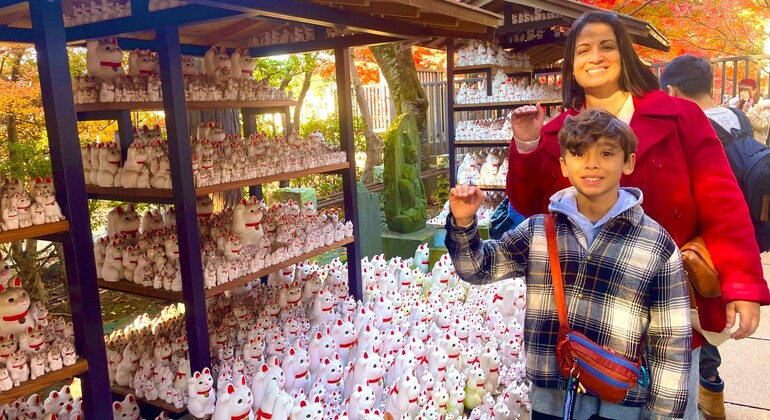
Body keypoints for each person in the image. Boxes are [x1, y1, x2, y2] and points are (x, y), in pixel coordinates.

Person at [504, 10, 770, 419]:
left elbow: (723, 202)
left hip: (667, 302)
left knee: (670, 405)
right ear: (572, 66)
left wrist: (741, 284)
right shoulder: (559, 131)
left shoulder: (680, 117)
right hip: (591, 310)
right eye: (583, 49)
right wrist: (526, 147)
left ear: (625, 55)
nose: (596, 56)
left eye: (607, 46)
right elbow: (529, 202)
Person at [446, 109, 692, 419]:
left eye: (606, 152)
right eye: (578, 153)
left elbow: (670, 338)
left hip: (618, 401)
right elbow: (477, 268)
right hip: (551, 397)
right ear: (564, 164)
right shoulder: (539, 232)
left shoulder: (654, 244)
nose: (592, 163)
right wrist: (463, 221)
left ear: (628, 161)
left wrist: (663, 414)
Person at [659, 53, 751, 420]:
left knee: (699, 322)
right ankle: (711, 394)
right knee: (716, 309)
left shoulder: (686, 125)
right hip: (738, 234)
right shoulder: (739, 118)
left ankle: (709, 393)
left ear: (672, 89)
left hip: (700, 244)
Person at [727, 78, 770, 143]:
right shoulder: (738, 104)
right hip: (739, 144)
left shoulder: (762, 105)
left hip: (755, 145)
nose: (743, 94)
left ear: (754, 90)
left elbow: (763, 125)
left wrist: (750, 111)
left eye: (746, 91)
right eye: (741, 91)